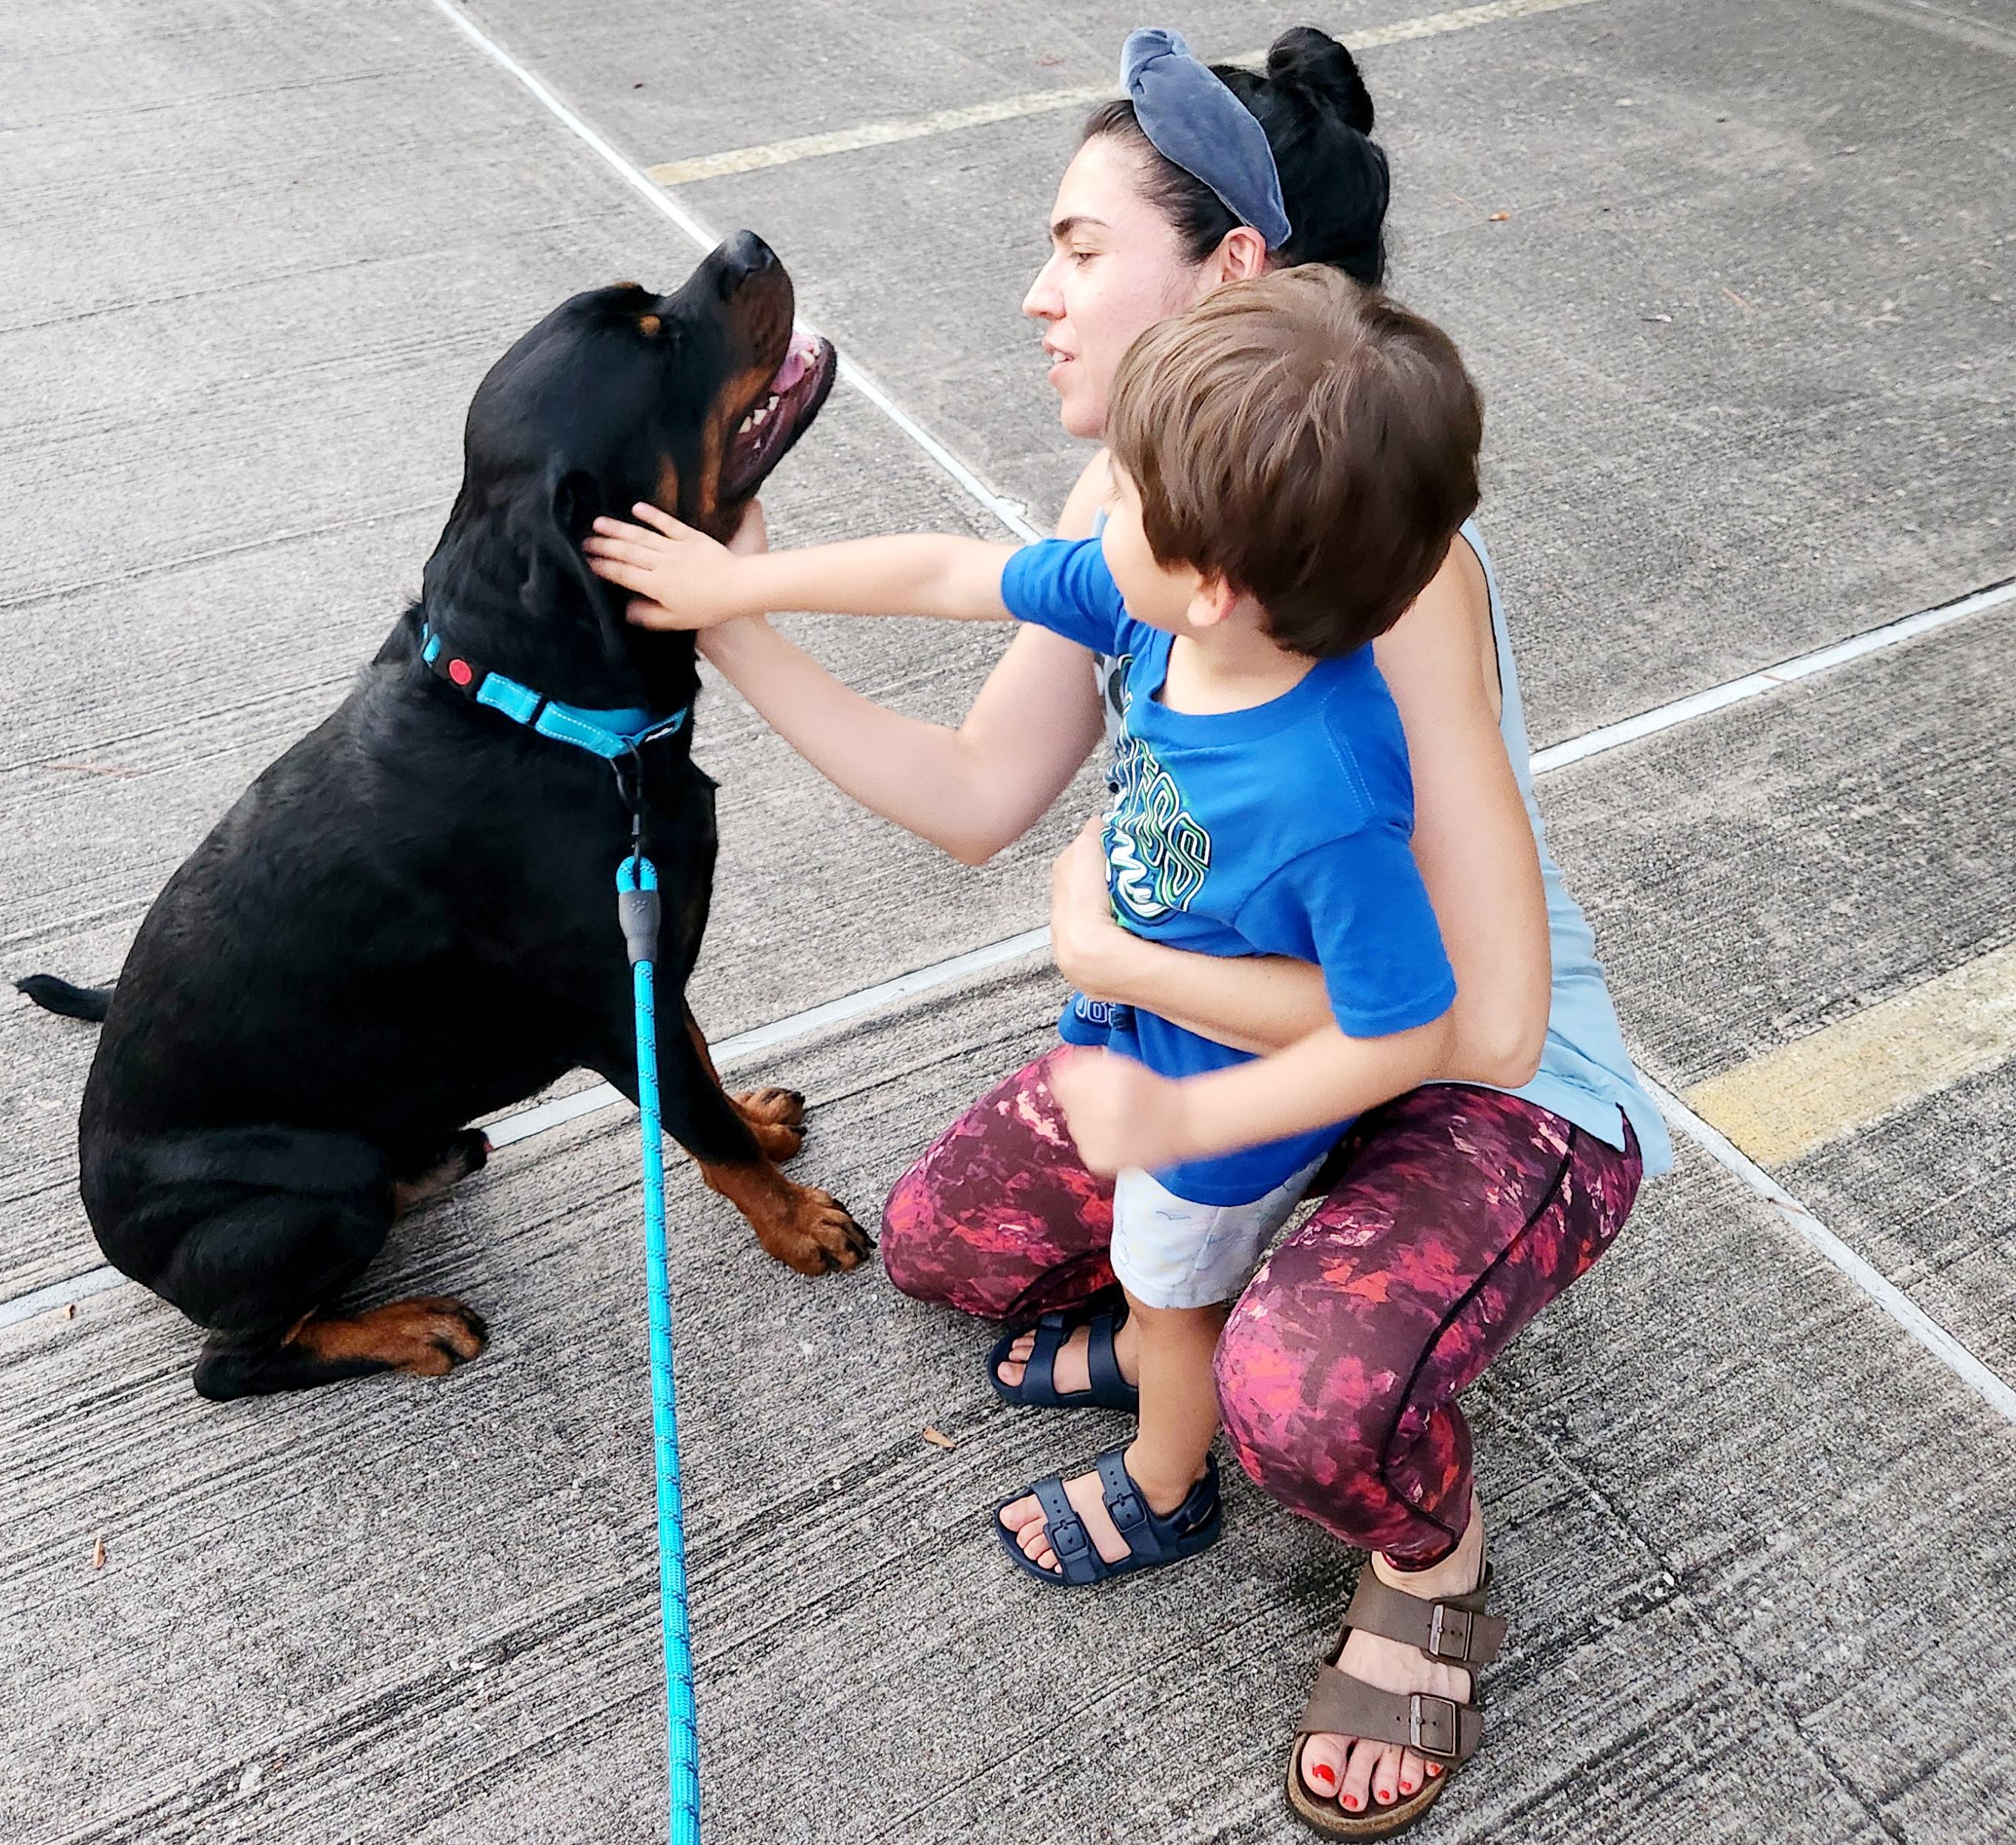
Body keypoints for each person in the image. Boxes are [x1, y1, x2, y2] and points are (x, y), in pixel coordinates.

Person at [681, 25, 1669, 1839]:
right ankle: (1212, 1308)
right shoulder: (1127, 510)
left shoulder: (1399, 572)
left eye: (1075, 245)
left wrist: (1138, 979)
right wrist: (727, 602)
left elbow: (1490, 1015)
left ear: (1231, 272)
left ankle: (1432, 1564)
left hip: (1477, 1072)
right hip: (1250, 1038)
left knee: (1311, 1397)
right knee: (940, 1243)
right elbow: (984, 790)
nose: (1036, 294)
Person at [594, 245, 1486, 1606]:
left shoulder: (1326, 797)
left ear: (1213, 584)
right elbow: (953, 572)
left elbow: (1407, 1024)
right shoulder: (1169, 614)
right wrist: (740, 593)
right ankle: (1151, 1327)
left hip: (1207, 1101)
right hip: (1141, 1041)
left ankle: (1169, 1477)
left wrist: (1178, 1120)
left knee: (1177, 1292)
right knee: (1138, 1272)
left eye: (1133, 493)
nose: (1100, 512)